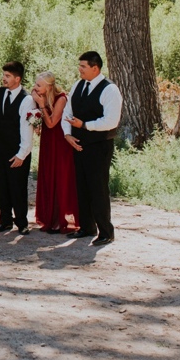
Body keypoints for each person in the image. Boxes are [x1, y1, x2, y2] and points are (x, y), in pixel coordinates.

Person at [62, 51, 123, 247]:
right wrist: (67, 134)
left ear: (95, 68)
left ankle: (106, 231)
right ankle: (87, 227)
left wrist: (85, 125)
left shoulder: (110, 90)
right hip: (77, 144)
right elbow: (67, 112)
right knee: (82, 186)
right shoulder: (78, 85)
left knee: (98, 188)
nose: (79, 70)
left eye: (83, 66)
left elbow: (111, 121)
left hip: (99, 146)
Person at [0, 61, 37, 235]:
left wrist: (22, 154)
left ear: (18, 78)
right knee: (1, 187)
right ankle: (5, 221)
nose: (4, 78)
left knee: (18, 187)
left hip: (18, 150)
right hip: (0, 148)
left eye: (8, 76)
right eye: (4, 75)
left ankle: (22, 223)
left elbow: (27, 130)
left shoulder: (27, 100)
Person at [32, 71, 79, 233]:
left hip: (59, 143)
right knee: (47, 176)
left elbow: (52, 123)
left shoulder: (61, 99)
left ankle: (60, 220)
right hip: (47, 141)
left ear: (49, 86)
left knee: (60, 178)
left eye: (39, 85)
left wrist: (42, 104)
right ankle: (49, 217)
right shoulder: (41, 97)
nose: (35, 88)